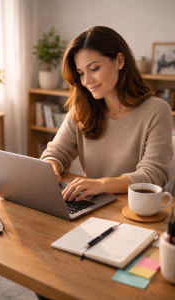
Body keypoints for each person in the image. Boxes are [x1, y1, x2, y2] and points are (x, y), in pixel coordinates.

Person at [37, 25, 173, 300]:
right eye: (81, 73)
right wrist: (51, 168)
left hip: (136, 218)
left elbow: (153, 174)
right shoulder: (82, 108)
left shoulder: (156, 110)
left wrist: (100, 184)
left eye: (94, 68)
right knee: (45, 276)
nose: (87, 80)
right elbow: (55, 152)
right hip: (94, 212)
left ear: (120, 61)